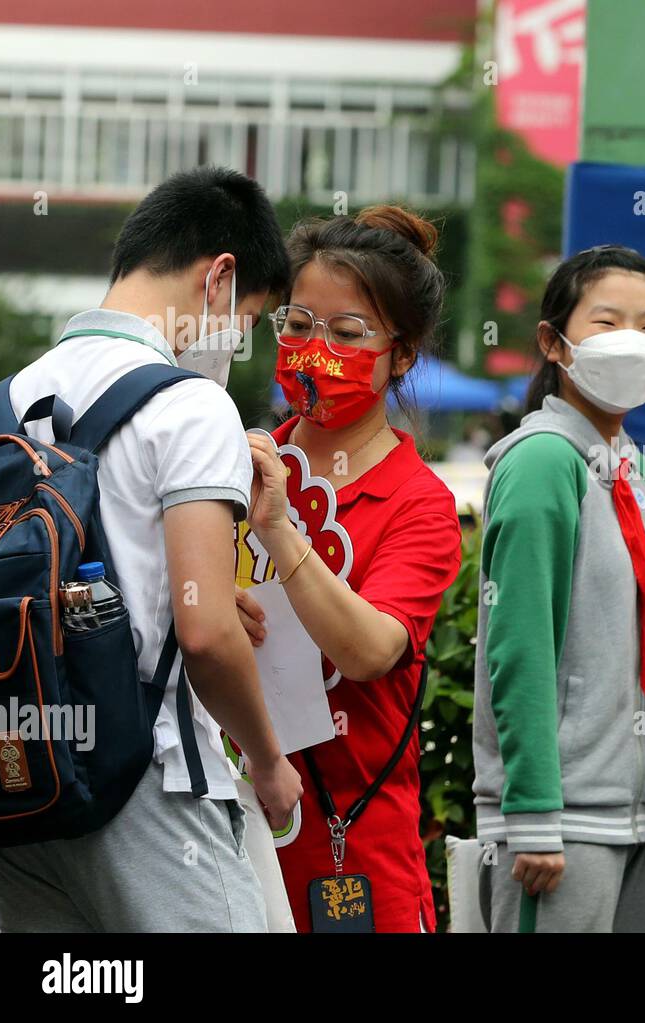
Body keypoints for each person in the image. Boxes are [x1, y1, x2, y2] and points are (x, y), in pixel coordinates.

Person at [0, 166, 302, 932]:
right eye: (252, 316)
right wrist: (266, 757)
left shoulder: (12, 396)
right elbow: (205, 636)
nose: (242, 339)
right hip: (153, 783)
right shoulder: (193, 407)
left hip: (25, 783)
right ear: (220, 277)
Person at [235, 205, 461, 932]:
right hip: (224, 836)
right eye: (297, 324)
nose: (313, 349)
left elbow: (369, 650)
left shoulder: (419, 503)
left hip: (352, 851)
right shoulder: (232, 464)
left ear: (404, 353)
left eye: (346, 333)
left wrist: (277, 531)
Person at [471, 245, 645, 933]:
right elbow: (520, 642)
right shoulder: (541, 462)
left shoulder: (633, 475)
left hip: (634, 812)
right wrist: (532, 814)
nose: (631, 341)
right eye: (607, 321)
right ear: (552, 343)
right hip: (558, 826)